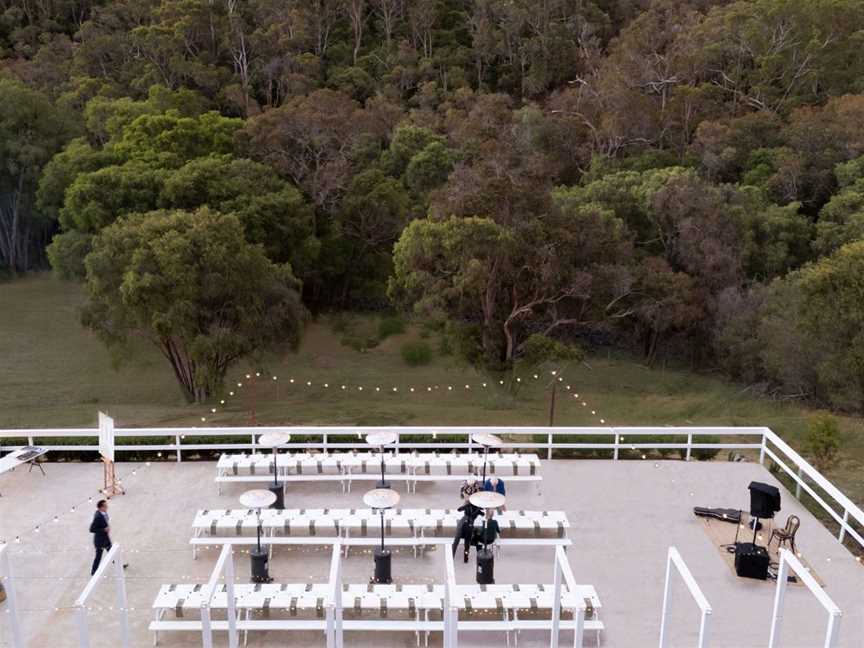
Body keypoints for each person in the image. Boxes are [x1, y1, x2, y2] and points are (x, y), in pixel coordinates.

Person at [89, 500, 127, 574]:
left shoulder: (103, 513)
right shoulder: (98, 517)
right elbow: (91, 529)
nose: (107, 507)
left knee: (112, 553)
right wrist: (104, 529)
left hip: (105, 539)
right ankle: (93, 571)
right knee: (98, 556)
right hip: (100, 541)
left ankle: (119, 565)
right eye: (105, 506)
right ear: (101, 507)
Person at [452, 495, 482, 563]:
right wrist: (479, 510)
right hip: (470, 526)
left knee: (456, 541)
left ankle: (452, 556)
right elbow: (482, 514)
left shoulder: (467, 506)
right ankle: (466, 559)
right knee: (467, 544)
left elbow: (459, 509)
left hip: (462, 524)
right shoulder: (477, 509)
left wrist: (464, 506)